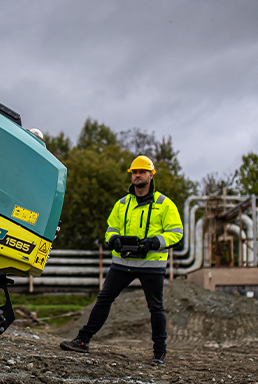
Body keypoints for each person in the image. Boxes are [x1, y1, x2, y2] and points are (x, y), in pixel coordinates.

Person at [60, 155, 183, 366]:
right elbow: (111, 228)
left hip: (151, 264)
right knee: (104, 299)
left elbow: (176, 233)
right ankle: (82, 341)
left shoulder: (164, 204)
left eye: (141, 172)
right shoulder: (122, 203)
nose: (137, 175)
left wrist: (153, 243)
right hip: (122, 263)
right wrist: (114, 240)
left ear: (151, 175)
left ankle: (159, 353)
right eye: (134, 172)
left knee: (156, 307)